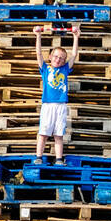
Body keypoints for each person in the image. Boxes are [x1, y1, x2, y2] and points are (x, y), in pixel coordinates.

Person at [33, 23, 80, 165]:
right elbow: (38, 53)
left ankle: (59, 159)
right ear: (50, 56)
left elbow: (74, 54)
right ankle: (39, 157)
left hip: (60, 106)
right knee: (43, 133)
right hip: (48, 105)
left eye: (61, 58)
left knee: (59, 134)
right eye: (55, 56)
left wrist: (76, 37)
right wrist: (38, 35)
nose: (58, 59)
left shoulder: (65, 69)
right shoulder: (45, 68)